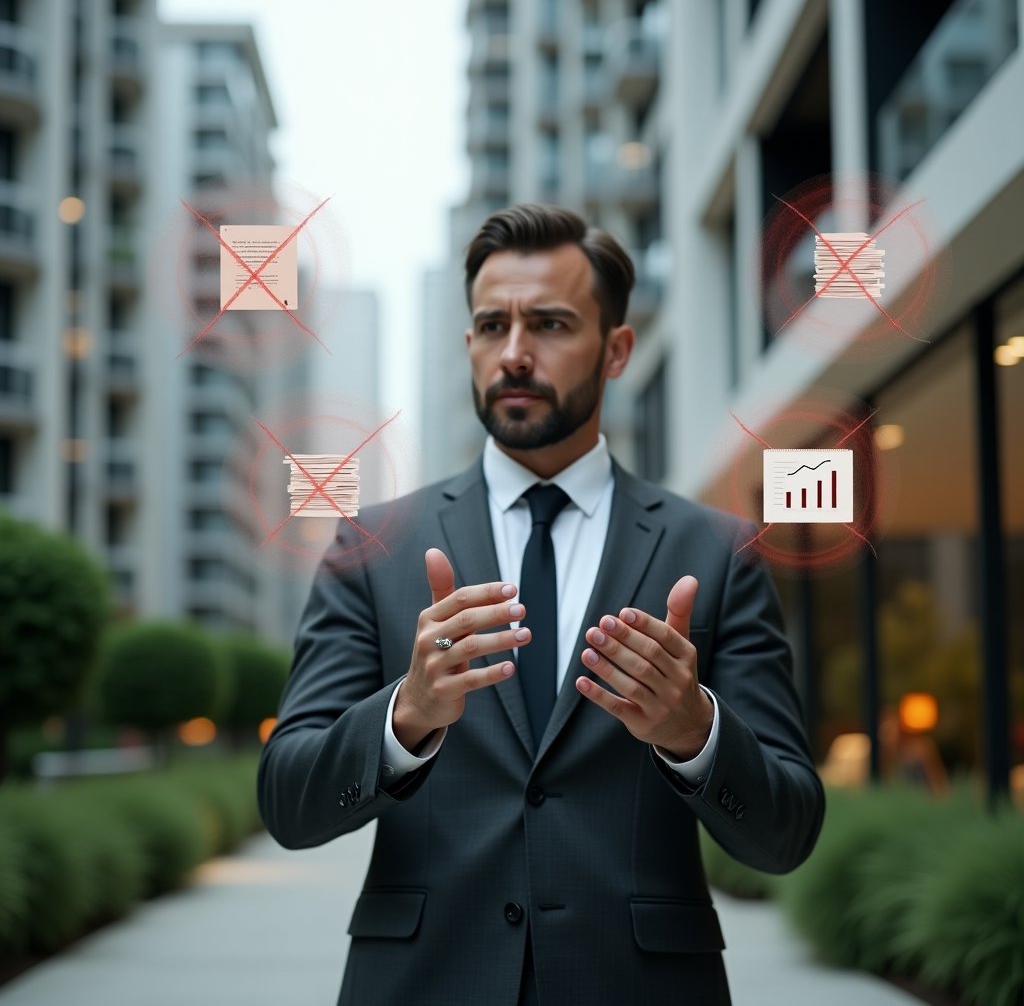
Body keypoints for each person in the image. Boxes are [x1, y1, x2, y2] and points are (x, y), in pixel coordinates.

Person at [258, 204, 825, 1006]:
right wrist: (405, 716)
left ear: (617, 349)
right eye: (493, 326)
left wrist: (694, 732)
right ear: (469, 343)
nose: (515, 353)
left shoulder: (718, 553)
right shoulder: (371, 546)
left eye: (551, 324)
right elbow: (288, 803)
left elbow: (787, 833)